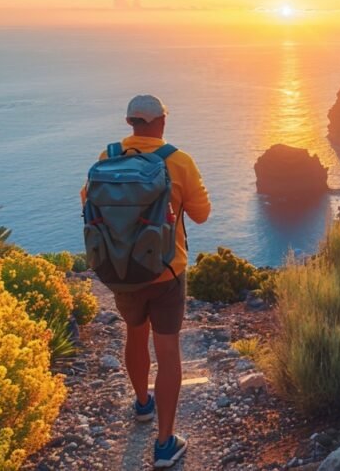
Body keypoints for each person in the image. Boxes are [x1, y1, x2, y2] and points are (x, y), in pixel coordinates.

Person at [82, 94, 210, 468]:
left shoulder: (107, 158)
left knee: (134, 335)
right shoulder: (179, 161)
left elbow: (87, 204)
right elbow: (201, 215)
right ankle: (165, 444)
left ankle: (142, 405)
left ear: (130, 123)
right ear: (162, 122)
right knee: (168, 353)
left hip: (121, 272)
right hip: (167, 271)